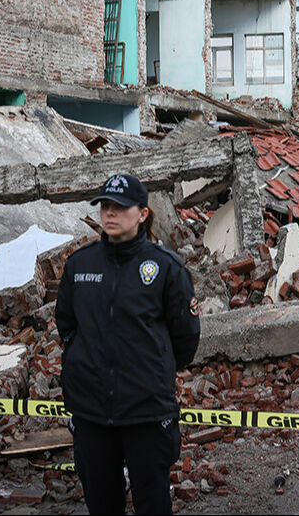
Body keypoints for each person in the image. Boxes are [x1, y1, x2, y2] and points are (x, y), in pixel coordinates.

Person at [57, 173, 201, 514]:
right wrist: (83, 361)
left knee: (152, 503)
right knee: (102, 503)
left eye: (120, 207)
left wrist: (155, 367)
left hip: (146, 412)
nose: (110, 213)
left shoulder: (166, 268)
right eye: (106, 206)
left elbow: (185, 335)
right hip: (92, 413)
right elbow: (67, 324)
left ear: (142, 214)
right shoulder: (79, 266)